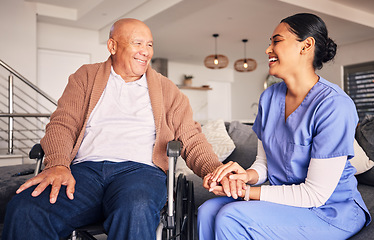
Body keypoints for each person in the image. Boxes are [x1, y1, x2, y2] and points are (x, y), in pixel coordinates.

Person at [2, 18, 222, 240]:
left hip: (140, 172)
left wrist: (215, 170)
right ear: (112, 46)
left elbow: (191, 137)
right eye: (138, 43)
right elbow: (63, 123)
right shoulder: (86, 76)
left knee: (135, 208)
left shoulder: (168, 90)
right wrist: (58, 164)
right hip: (83, 172)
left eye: (150, 44)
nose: (145, 51)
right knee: (26, 209)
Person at [198, 13, 371, 240]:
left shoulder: (334, 105)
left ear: (306, 46)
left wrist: (247, 192)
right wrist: (244, 176)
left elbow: (315, 194)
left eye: (276, 41)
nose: (268, 49)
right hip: (288, 204)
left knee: (232, 216)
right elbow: (263, 165)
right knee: (207, 211)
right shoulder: (269, 98)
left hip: (330, 209)